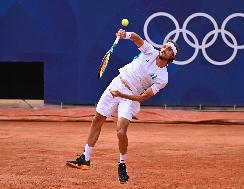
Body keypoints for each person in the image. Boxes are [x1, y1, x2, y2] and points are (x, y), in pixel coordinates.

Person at [66, 29, 179, 184]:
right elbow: (136, 38)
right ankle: (85, 158)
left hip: (130, 97)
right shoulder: (150, 52)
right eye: (165, 46)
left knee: (120, 131)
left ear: (172, 57)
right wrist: (125, 34)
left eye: (169, 49)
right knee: (97, 119)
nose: (165, 49)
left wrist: (123, 95)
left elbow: (143, 97)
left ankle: (122, 163)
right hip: (117, 83)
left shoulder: (163, 78)